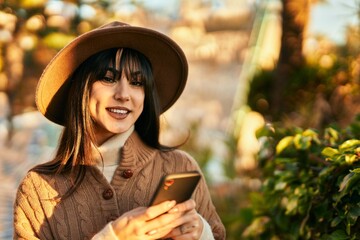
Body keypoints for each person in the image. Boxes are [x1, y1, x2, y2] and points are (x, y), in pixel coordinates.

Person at [13, 21, 226, 240]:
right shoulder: (37, 188)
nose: (124, 94)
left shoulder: (180, 167)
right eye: (108, 78)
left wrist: (201, 232)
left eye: (137, 82)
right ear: (81, 88)